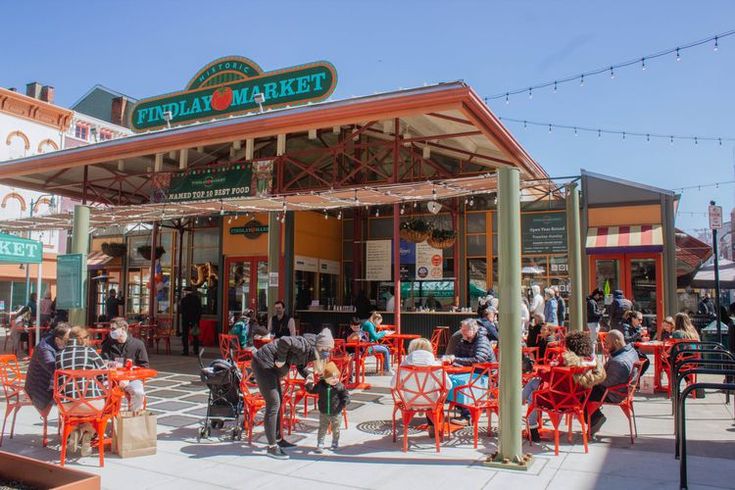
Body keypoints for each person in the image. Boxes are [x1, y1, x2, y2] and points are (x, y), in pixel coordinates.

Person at [252, 328, 334, 459]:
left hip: (271, 369)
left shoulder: (312, 351)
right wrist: (281, 359)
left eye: (329, 350)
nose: (327, 353)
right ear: (320, 346)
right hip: (263, 364)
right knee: (273, 404)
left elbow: (300, 365)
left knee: (278, 402)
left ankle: (278, 439)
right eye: (326, 350)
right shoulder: (304, 345)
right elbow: (285, 340)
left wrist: (307, 375)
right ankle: (272, 447)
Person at [523, 331, 606, 442]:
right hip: (577, 401)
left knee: (533, 394)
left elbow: (549, 376)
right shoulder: (591, 363)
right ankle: (521, 408)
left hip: (556, 401)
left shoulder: (565, 360)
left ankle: (531, 428)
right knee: (533, 384)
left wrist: (539, 370)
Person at [56, 326, 110, 457]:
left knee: (77, 411)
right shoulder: (90, 352)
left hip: (66, 405)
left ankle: (75, 431)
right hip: (90, 404)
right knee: (105, 409)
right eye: (88, 338)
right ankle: (88, 434)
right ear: (83, 339)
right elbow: (104, 375)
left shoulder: (59, 354)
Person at [391, 337, 451, 437]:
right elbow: (449, 386)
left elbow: (392, 385)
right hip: (431, 402)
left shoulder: (403, 365)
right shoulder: (436, 366)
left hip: (409, 402)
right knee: (436, 396)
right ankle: (434, 428)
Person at [588, 330, 639, 436]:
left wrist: (592, 377)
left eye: (607, 343)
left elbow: (606, 382)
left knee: (582, 393)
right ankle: (594, 418)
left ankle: (595, 420)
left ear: (616, 342)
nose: (605, 346)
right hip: (624, 389)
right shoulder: (631, 351)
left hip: (614, 393)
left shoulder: (619, 362)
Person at [443, 319, 494, 424]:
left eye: (465, 330)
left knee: (464, 384)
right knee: (451, 380)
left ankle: (468, 416)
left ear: (473, 329)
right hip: (473, 372)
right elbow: (458, 354)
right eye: (462, 330)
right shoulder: (465, 339)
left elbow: (479, 360)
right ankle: (461, 407)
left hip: (486, 375)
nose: (462, 332)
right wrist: (452, 359)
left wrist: (455, 359)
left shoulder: (482, 340)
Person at [100, 318, 149, 413]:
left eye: (113, 329)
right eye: (110, 329)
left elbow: (144, 366)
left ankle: (133, 413)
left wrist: (132, 372)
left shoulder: (138, 344)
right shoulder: (107, 344)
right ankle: (110, 414)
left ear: (123, 329)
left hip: (132, 378)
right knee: (104, 392)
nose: (111, 331)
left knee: (138, 392)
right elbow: (103, 363)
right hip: (112, 379)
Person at [24, 323, 71, 415]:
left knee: (75, 395)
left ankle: (71, 423)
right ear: (57, 339)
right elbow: (54, 369)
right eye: (67, 340)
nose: (70, 342)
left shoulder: (57, 344)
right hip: (40, 389)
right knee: (72, 398)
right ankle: (70, 424)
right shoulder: (44, 349)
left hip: (52, 385)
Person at [305, 361, 349, 453]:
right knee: (322, 428)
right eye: (332, 378)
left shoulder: (340, 386)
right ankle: (320, 444)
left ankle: (335, 442)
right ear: (325, 378)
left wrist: (342, 404)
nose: (335, 379)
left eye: (337, 377)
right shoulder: (321, 385)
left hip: (336, 412)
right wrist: (309, 382)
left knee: (335, 429)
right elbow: (312, 390)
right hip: (324, 412)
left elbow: (346, 396)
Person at [179, 287, 202, 356]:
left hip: (185, 320)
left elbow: (182, 311)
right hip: (195, 320)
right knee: (195, 335)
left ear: (186, 292)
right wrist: (197, 319)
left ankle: (185, 351)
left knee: (185, 335)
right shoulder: (197, 299)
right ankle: (196, 350)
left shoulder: (183, 300)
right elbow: (199, 310)